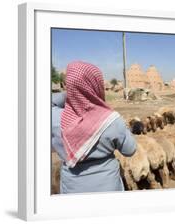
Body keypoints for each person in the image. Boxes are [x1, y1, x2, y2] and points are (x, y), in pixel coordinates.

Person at [51, 61, 136, 194]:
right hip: (108, 188)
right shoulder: (112, 120)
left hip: (71, 190)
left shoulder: (55, 118)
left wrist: (71, 94)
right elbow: (130, 150)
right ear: (97, 85)